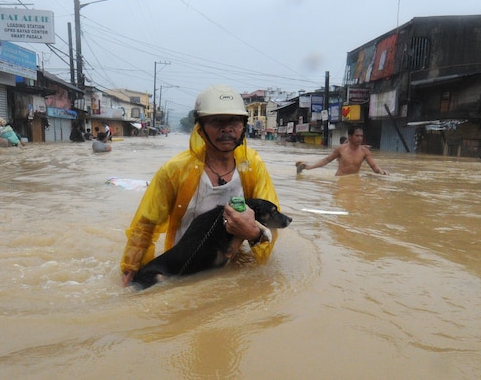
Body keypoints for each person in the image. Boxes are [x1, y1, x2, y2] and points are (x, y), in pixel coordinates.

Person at [120, 84, 280, 286]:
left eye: (235, 121)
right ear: (200, 128)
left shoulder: (252, 166)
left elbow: (272, 219)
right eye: (216, 121)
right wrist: (131, 267)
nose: (227, 128)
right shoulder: (175, 170)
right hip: (182, 273)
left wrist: (254, 235)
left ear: (243, 126)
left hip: (227, 275)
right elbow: (145, 225)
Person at [296, 126, 388, 176]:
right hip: (340, 179)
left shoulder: (365, 151)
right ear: (350, 136)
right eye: (357, 136)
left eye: (361, 136)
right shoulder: (341, 149)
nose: (360, 138)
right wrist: (310, 167)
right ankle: (305, 166)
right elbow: (326, 160)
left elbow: (374, 166)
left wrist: (382, 172)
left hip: (353, 181)